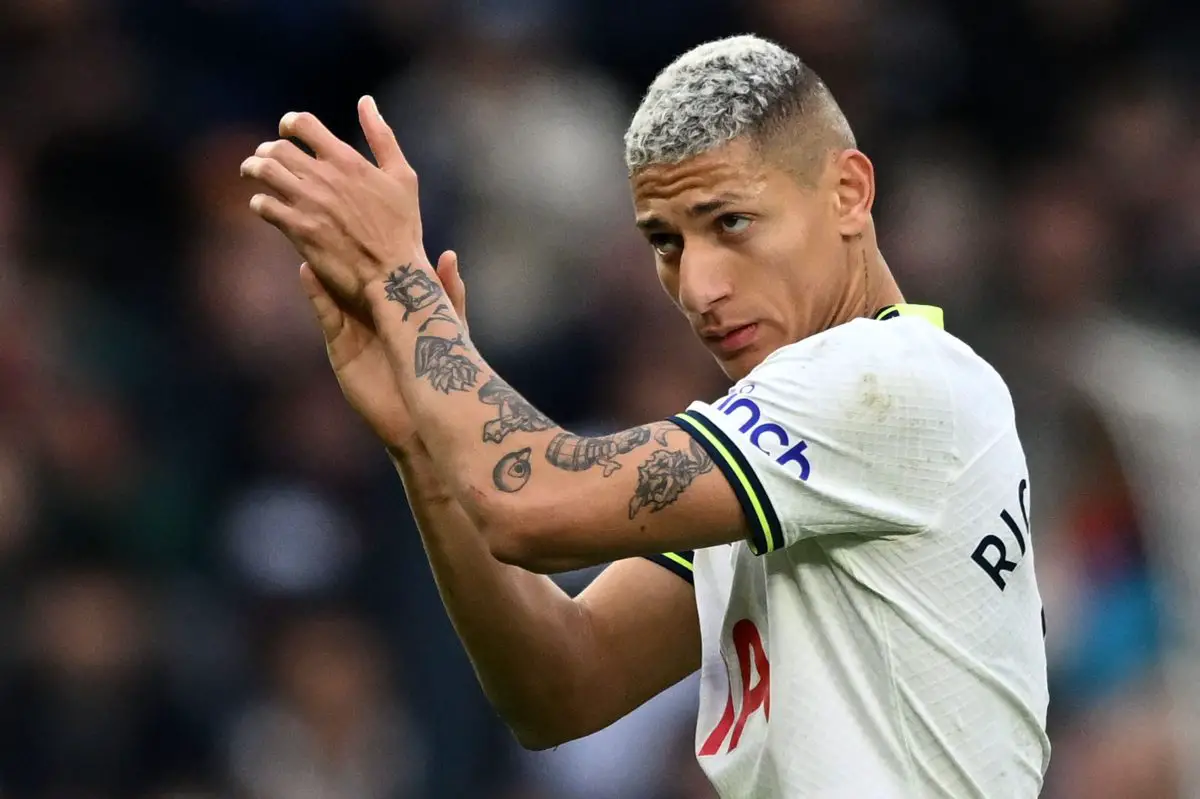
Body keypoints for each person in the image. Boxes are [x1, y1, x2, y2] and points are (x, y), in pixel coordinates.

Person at [241, 34, 1050, 798]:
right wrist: (424, 446)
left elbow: (527, 501)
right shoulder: (799, 446)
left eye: (730, 222)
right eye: (666, 243)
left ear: (848, 191)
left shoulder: (888, 379)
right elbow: (563, 684)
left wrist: (400, 278)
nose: (698, 288)